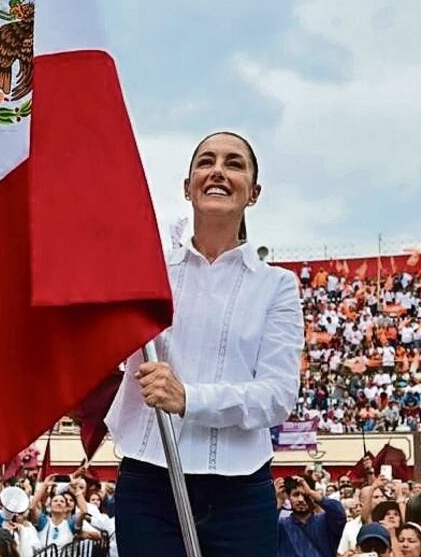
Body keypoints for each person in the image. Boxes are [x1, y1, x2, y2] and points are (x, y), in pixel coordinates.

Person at [106, 132, 304, 557]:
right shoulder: (146, 273)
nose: (218, 171)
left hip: (240, 495)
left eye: (234, 164)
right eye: (206, 161)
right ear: (187, 186)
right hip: (149, 482)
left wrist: (189, 399)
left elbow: (277, 396)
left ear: (254, 192)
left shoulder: (278, 286)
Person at [277, 475, 347, 557]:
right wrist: (279, 500)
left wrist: (310, 492)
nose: (301, 500)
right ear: (288, 497)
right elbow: (266, 531)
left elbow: (339, 513)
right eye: (296, 495)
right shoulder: (282, 525)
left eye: (305, 495)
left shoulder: (325, 521)